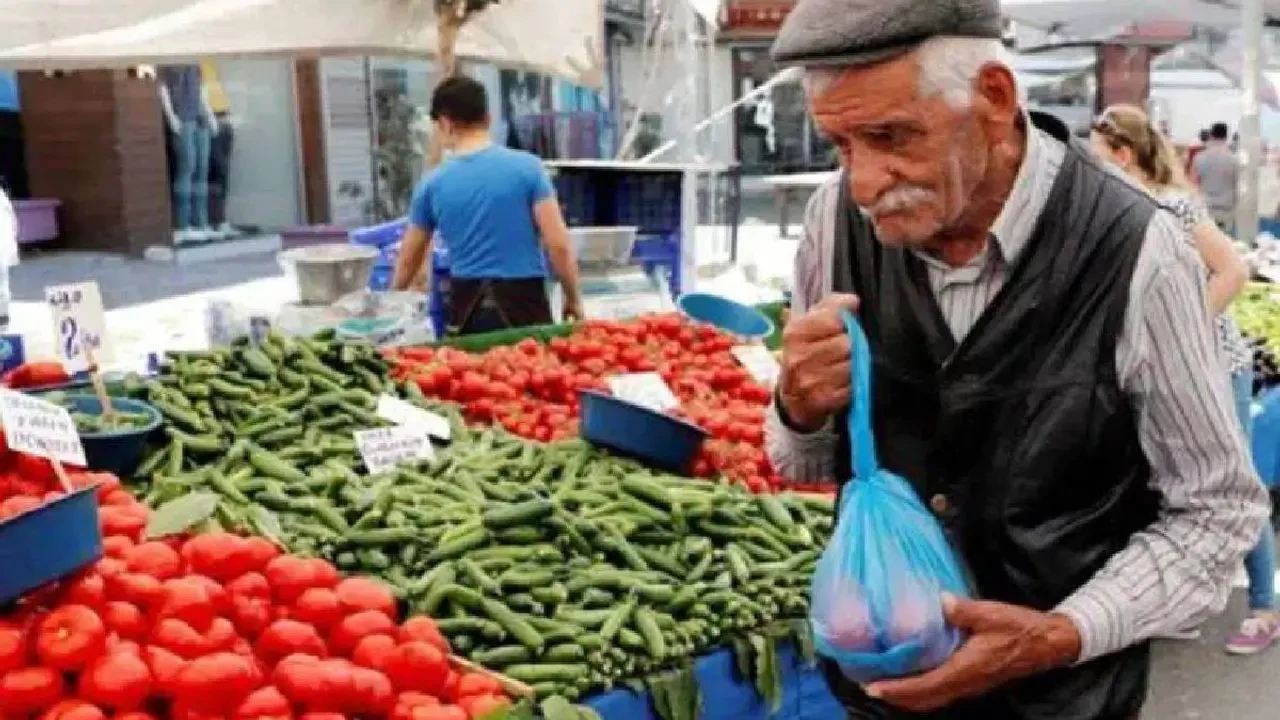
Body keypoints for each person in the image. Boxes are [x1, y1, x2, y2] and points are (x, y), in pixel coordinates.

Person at [766, 0, 1270, 717]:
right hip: (883, 693)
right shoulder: (833, 224)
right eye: (841, 146)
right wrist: (799, 404)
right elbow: (802, 463)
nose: (864, 183)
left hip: (1061, 699)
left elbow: (1216, 512)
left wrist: (1059, 634)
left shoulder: (1137, 252)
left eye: (891, 136)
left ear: (994, 100)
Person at [1090, 105, 1269, 653]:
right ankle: (1183, 600)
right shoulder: (1118, 211)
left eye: (1099, 159)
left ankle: (1265, 606)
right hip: (1160, 373)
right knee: (1168, 481)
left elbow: (1233, 272)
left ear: (1123, 155)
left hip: (1217, 366)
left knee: (1228, 481)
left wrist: (1179, 336)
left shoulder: (1170, 206)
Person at [392, 75, 584, 334]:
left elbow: (407, 261)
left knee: (475, 373)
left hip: (466, 308)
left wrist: (389, 305)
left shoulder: (432, 184)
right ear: (488, 118)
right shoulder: (529, 169)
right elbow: (558, 245)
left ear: (445, 124)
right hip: (525, 305)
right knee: (535, 372)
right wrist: (573, 298)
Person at [1193, 122, 1240, 232]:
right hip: (1226, 209)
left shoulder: (1199, 158)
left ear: (1211, 135)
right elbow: (1238, 184)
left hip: (1205, 208)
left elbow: (1193, 183)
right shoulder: (1234, 160)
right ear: (1226, 136)